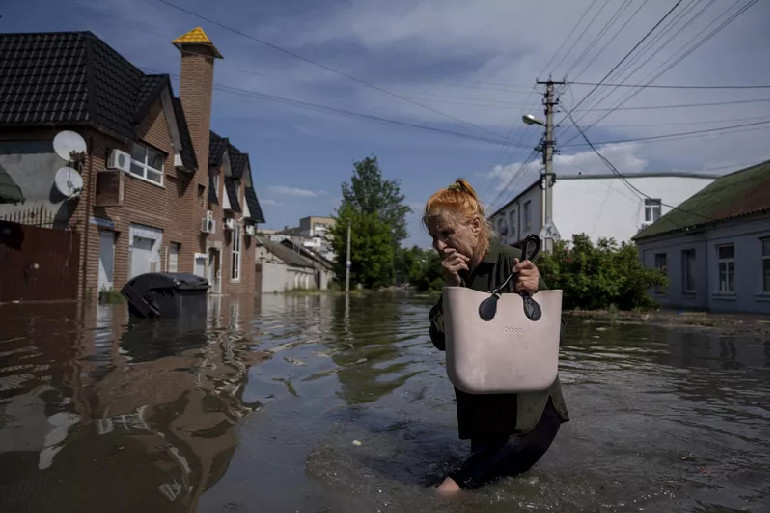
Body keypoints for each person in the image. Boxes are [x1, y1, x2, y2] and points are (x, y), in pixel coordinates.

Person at [424, 178, 569, 492]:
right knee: (490, 491)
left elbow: (557, 339)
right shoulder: (456, 272)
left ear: (475, 225)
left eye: (446, 233)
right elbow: (440, 340)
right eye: (433, 236)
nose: (438, 245)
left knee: (449, 491)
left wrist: (535, 290)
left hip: (528, 415)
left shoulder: (511, 261)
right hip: (484, 416)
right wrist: (451, 288)